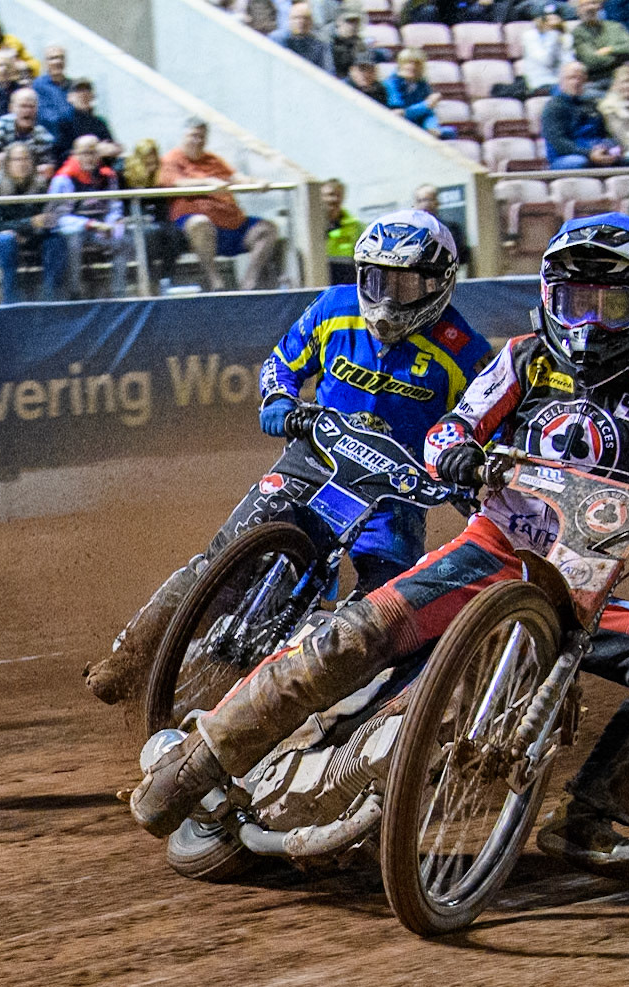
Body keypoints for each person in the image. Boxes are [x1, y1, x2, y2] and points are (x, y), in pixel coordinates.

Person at [129, 216, 629, 881]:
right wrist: (455, 454)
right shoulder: (518, 359)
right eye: (575, 301)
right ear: (549, 297)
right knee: (349, 637)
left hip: (580, 592)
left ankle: (586, 820)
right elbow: (450, 427)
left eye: (613, 304)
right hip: (487, 553)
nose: (588, 323)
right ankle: (198, 761)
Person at [85, 210, 488, 705]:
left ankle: (332, 722)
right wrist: (278, 399)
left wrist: (467, 474)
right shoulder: (334, 308)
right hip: (313, 459)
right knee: (224, 555)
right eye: (378, 280)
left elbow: (478, 426)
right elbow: (283, 363)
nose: (387, 298)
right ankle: (129, 658)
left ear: (440, 283)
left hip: (393, 493)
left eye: (406, 285)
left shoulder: (466, 352)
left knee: (382, 614)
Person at [157, 117, 278, 292]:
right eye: (193, 136)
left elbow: (236, 177)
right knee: (200, 223)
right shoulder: (171, 160)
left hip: (233, 223)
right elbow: (176, 183)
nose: (198, 141)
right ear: (184, 136)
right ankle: (215, 283)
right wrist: (208, 182)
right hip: (195, 226)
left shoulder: (213, 160)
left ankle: (249, 284)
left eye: (202, 137)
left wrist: (256, 182)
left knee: (267, 229)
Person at [45, 134, 126, 300]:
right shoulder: (63, 178)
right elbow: (58, 217)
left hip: (102, 227)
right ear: (75, 154)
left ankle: (119, 292)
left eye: (93, 152)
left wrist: (114, 222)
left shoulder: (108, 176)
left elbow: (115, 206)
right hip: (75, 229)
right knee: (73, 241)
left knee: (122, 238)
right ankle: (75, 292)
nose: (89, 158)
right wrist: (90, 224)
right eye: (84, 153)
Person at [0, 140, 58, 304]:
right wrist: (28, 224)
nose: (22, 164)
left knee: (56, 240)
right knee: (7, 240)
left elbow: (45, 220)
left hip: (30, 236)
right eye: (17, 160)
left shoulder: (40, 186)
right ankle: (10, 301)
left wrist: (34, 227)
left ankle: (52, 298)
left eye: (26, 159)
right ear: (8, 163)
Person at [545, 59, 626, 167]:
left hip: (594, 149)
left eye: (580, 78)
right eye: (571, 78)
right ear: (561, 81)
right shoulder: (553, 107)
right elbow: (560, 143)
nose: (576, 82)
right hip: (564, 157)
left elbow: (602, 133)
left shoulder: (592, 104)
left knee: (625, 158)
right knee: (580, 162)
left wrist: (613, 148)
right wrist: (589, 154)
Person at [0, 85, 57, 177]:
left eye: (31, 107)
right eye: (23, 106)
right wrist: (14, 166)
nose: (27, 111)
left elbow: (48, 169)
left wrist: (19, 166)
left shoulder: (43, 136)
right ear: (11, 108)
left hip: (28, 184)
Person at [49, 77, 116, 163]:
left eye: (87, 90)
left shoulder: (99, 122)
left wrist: (112, 149)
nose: (84, 94)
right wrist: (91, 150)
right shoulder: (64, 122)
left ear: (93, 96)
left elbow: (111, 147)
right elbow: (59, 154)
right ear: (70, 97)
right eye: (79, 91)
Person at [572, 0, 629, 82]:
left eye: (593, 3)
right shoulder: (578, 32)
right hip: (596, 80)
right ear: (578, 11)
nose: (590, 7)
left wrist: (609, 50)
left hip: (622, 78)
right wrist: (621, 59)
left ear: (600, 7)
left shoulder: (614, 26)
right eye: (584, 5)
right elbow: (591, 61)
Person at [384, 48, 441, 132]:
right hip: (400, 127)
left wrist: (432, 127)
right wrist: (426, 105)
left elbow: (429, 113)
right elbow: (400, 112)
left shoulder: (422, 84)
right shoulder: (391, 83)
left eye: (417, 63)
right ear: (401, 64)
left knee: (449, 132)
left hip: (420, 126)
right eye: (408, 62)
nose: (412, 67)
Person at [412, 182, 469, 264]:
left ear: (437, 202)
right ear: (415, 204)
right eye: (420, 200)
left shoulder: (452, 229)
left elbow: (462, 257)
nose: (425, 204)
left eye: (429, 199)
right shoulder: (409, 231)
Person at [276, 3, 336, 72]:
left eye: (305, 18)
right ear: (289, 20)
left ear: (311, 21)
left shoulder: (321, 43)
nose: (301, 21)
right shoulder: (279, 39)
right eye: (296, 18)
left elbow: (328, 70)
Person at [32, 42, 74, 131]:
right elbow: (45, 116)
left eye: (61, 57)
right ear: (45, 62)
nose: (57, 62)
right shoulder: (38, 86)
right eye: (52, 58)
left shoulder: (73, 86)